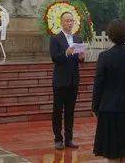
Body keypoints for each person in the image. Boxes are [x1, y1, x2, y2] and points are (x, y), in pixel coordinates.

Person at [92, 19, 125, 163]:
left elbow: (98, 84)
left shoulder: (104, 57)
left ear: (110, 35)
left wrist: (95, 107)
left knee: (112, 153)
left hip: (109, 109)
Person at [50, 11, 85, 150]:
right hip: (60, 80)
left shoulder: (78, 38)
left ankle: (69, 139)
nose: (69, 23)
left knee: (70, 111)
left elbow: (78, 60)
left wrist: (81, 58)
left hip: (73, 80)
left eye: (71, 21)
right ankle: (58, 139)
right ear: (61, 22)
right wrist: (66, 53)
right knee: (58, 110)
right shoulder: (55, 38)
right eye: (67, 21)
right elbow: (55, 58)